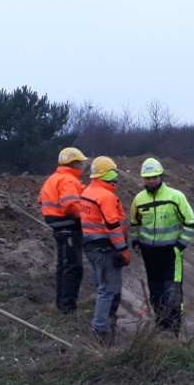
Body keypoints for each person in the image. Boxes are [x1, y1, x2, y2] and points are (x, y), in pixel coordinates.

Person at [129, 157, 194, 336]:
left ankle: (173, 329)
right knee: (156, 292)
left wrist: (180, 245)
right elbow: (135, 224)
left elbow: (190, 222)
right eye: (147, 178)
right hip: (149, 255)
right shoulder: (139, 200)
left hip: (171, 254)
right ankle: (161, 325)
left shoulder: (175, 197)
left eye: (154, 177)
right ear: (143, 179)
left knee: (172, 292)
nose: (150, 181)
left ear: (160, 176)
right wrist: (135, 242)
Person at [79, 156, 131, 344]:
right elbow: (113, 227)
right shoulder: (105, 196)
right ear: (107, 173)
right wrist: (123, 249)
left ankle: (108, 325)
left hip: (92, 247)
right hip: (104, 249)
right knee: (108, 290)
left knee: (108, 288)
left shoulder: (88, 191)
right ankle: (101, 330)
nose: (117, 174)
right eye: (114, 171)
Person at [38, 147, 88, 315]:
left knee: (63, 265)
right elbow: (70, 205)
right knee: (73, 267)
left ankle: (61, 304)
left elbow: (41, 199)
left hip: (59, 228)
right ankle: (68, 308)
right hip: (69, 227)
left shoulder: (53, 179)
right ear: (73, 163)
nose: (82, 165)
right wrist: (88, 216)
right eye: (80, 162)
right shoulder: (69, 180)